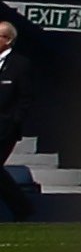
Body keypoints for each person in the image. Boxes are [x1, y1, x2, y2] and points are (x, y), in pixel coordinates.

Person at [0, 12, 33, 222]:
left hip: (5, 128)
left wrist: (14, 122)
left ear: (8, 39)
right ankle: (22, 209)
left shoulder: (20, 64)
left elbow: (25, 97)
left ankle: (22, 208)